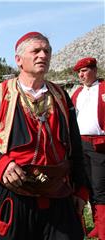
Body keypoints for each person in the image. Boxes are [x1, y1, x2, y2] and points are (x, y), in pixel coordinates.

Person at [0, 31, 88, 239]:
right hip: (15, 193)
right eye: (36, 51)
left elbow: (75, 145)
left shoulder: (60, 96)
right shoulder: (0, 94)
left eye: (47, 51)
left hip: (58, 191)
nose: (43, 55)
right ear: (19, 60)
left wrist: (81, 189)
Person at [71, 57, 105, 239]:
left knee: (100, 187)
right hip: (81, 144)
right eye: (79, 72)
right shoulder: (77, 93)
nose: (81, 75)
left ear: (94, 70)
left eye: (84, 71)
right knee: (88, 186)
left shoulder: (104, 88)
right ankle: (98, 225)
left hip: (100, 144)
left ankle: (103, 228)